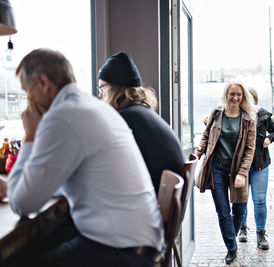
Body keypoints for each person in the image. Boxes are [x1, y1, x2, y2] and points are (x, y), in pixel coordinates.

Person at [7, 48, 164, 267]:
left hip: (122, 252)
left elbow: (22, 204)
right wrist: (20, 186)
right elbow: (55, 183)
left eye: (27, 92)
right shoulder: (93, 107)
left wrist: (31, 136)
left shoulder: (62, 117)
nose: (29, 101)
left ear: (43, 82)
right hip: (138, 241)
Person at [97, 51, 185, 195]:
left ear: (114, 89)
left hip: (151, 201)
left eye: (102, 89)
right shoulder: (143, 113)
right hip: (163, 199)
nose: (99, 96)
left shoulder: (125, 119)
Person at [195, 81, 256, 264]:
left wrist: (242, 173)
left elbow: (250, 149)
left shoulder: (248, 119)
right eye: (232, 94)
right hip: (217, 169)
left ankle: (231, 237)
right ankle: (231, 247)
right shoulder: (216, 114)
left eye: (238, 94)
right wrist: (198, 152)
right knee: (223, 211)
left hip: (238, 171)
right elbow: (206, 135)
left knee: (239, 210)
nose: (235, 98)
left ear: (243, 97)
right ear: (226, 95)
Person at [238, 87, 274, 250]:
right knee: (241, 200)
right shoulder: (236, 115)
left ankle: (260, 234)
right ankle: (242, 229)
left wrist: (270, 139)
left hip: (260, 165)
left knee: (259, 200)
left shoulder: (263, 115)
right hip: (241, 166)